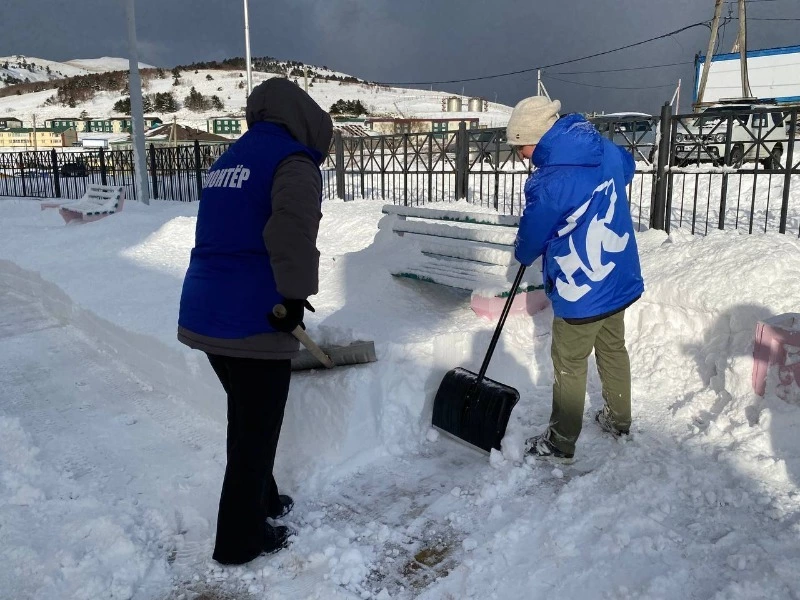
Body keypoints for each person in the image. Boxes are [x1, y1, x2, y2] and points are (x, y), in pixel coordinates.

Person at [177, 78, 333, 565]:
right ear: (308, 122)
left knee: (245, 420)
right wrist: (293, 296)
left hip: (206, 309)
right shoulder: (292, 161)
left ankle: (264, 500)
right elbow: (292, 232)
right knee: (256, 432)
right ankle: (240, 541)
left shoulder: (231, 158)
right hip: (254, 316)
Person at [506, 96, 644, 462]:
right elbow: (626, 170)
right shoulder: (605, 149)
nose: (522, 155)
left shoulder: (549, 181)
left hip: (581, 285)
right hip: (618, 273)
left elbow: (531, 240)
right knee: (613, 347)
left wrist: (522, 251)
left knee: (569, 360)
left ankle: (560, 441)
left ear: (536, 135)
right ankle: (619, 419)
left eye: (521, 145)